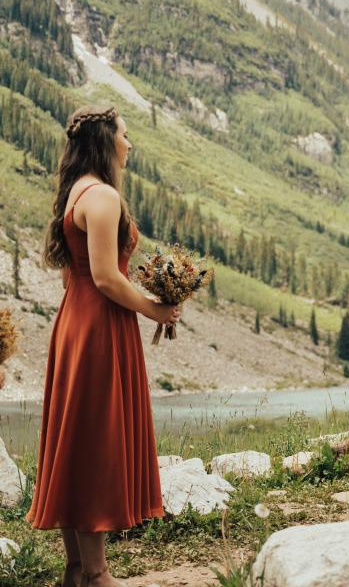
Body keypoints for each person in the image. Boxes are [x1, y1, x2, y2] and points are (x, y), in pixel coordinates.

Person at [29, 106, 180, 587]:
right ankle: (96, 575)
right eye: (124, 136)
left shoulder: (76, 191)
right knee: (93, 443)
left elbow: (90, 273)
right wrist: (154, 310)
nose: (129, 145)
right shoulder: (104, 197)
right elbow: (106, 277)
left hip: (76, 321)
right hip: (98, 328)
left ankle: (77, 569)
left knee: (77, 439)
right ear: (105, 142)